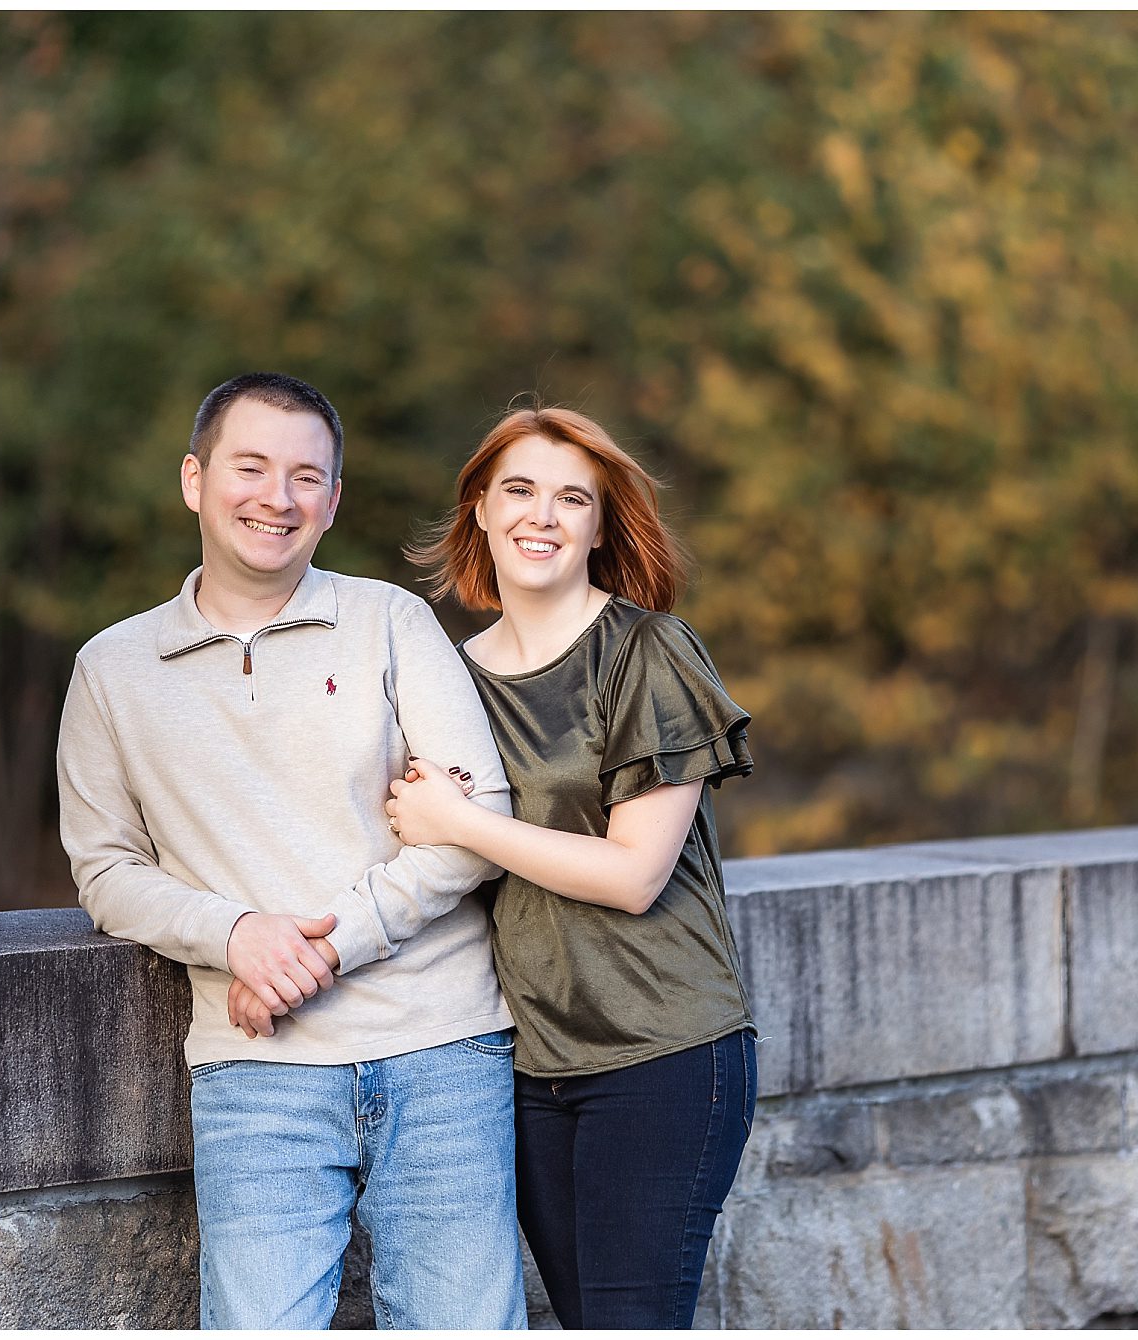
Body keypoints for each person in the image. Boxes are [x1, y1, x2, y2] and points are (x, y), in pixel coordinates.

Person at [56, 372, 527, 1330]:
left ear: (333, 500)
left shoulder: (391, 622)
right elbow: (105, 870)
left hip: (444, 1049)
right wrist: (237, 935)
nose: (277, 497)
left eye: (306, 476)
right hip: (256, 1066)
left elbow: (479, 823)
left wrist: (316, 948)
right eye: (252, 467)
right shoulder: (112, 670)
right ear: (195, 480)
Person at [388, 404, 758, 1330]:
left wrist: (461, 821)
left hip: (664, 1052)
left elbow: (635, 874)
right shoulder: (449, 677)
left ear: (600, 525)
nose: (540, 516)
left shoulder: (645, 651)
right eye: (518, 490)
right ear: (479, 508)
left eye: (571, 499)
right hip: (527, 1063)